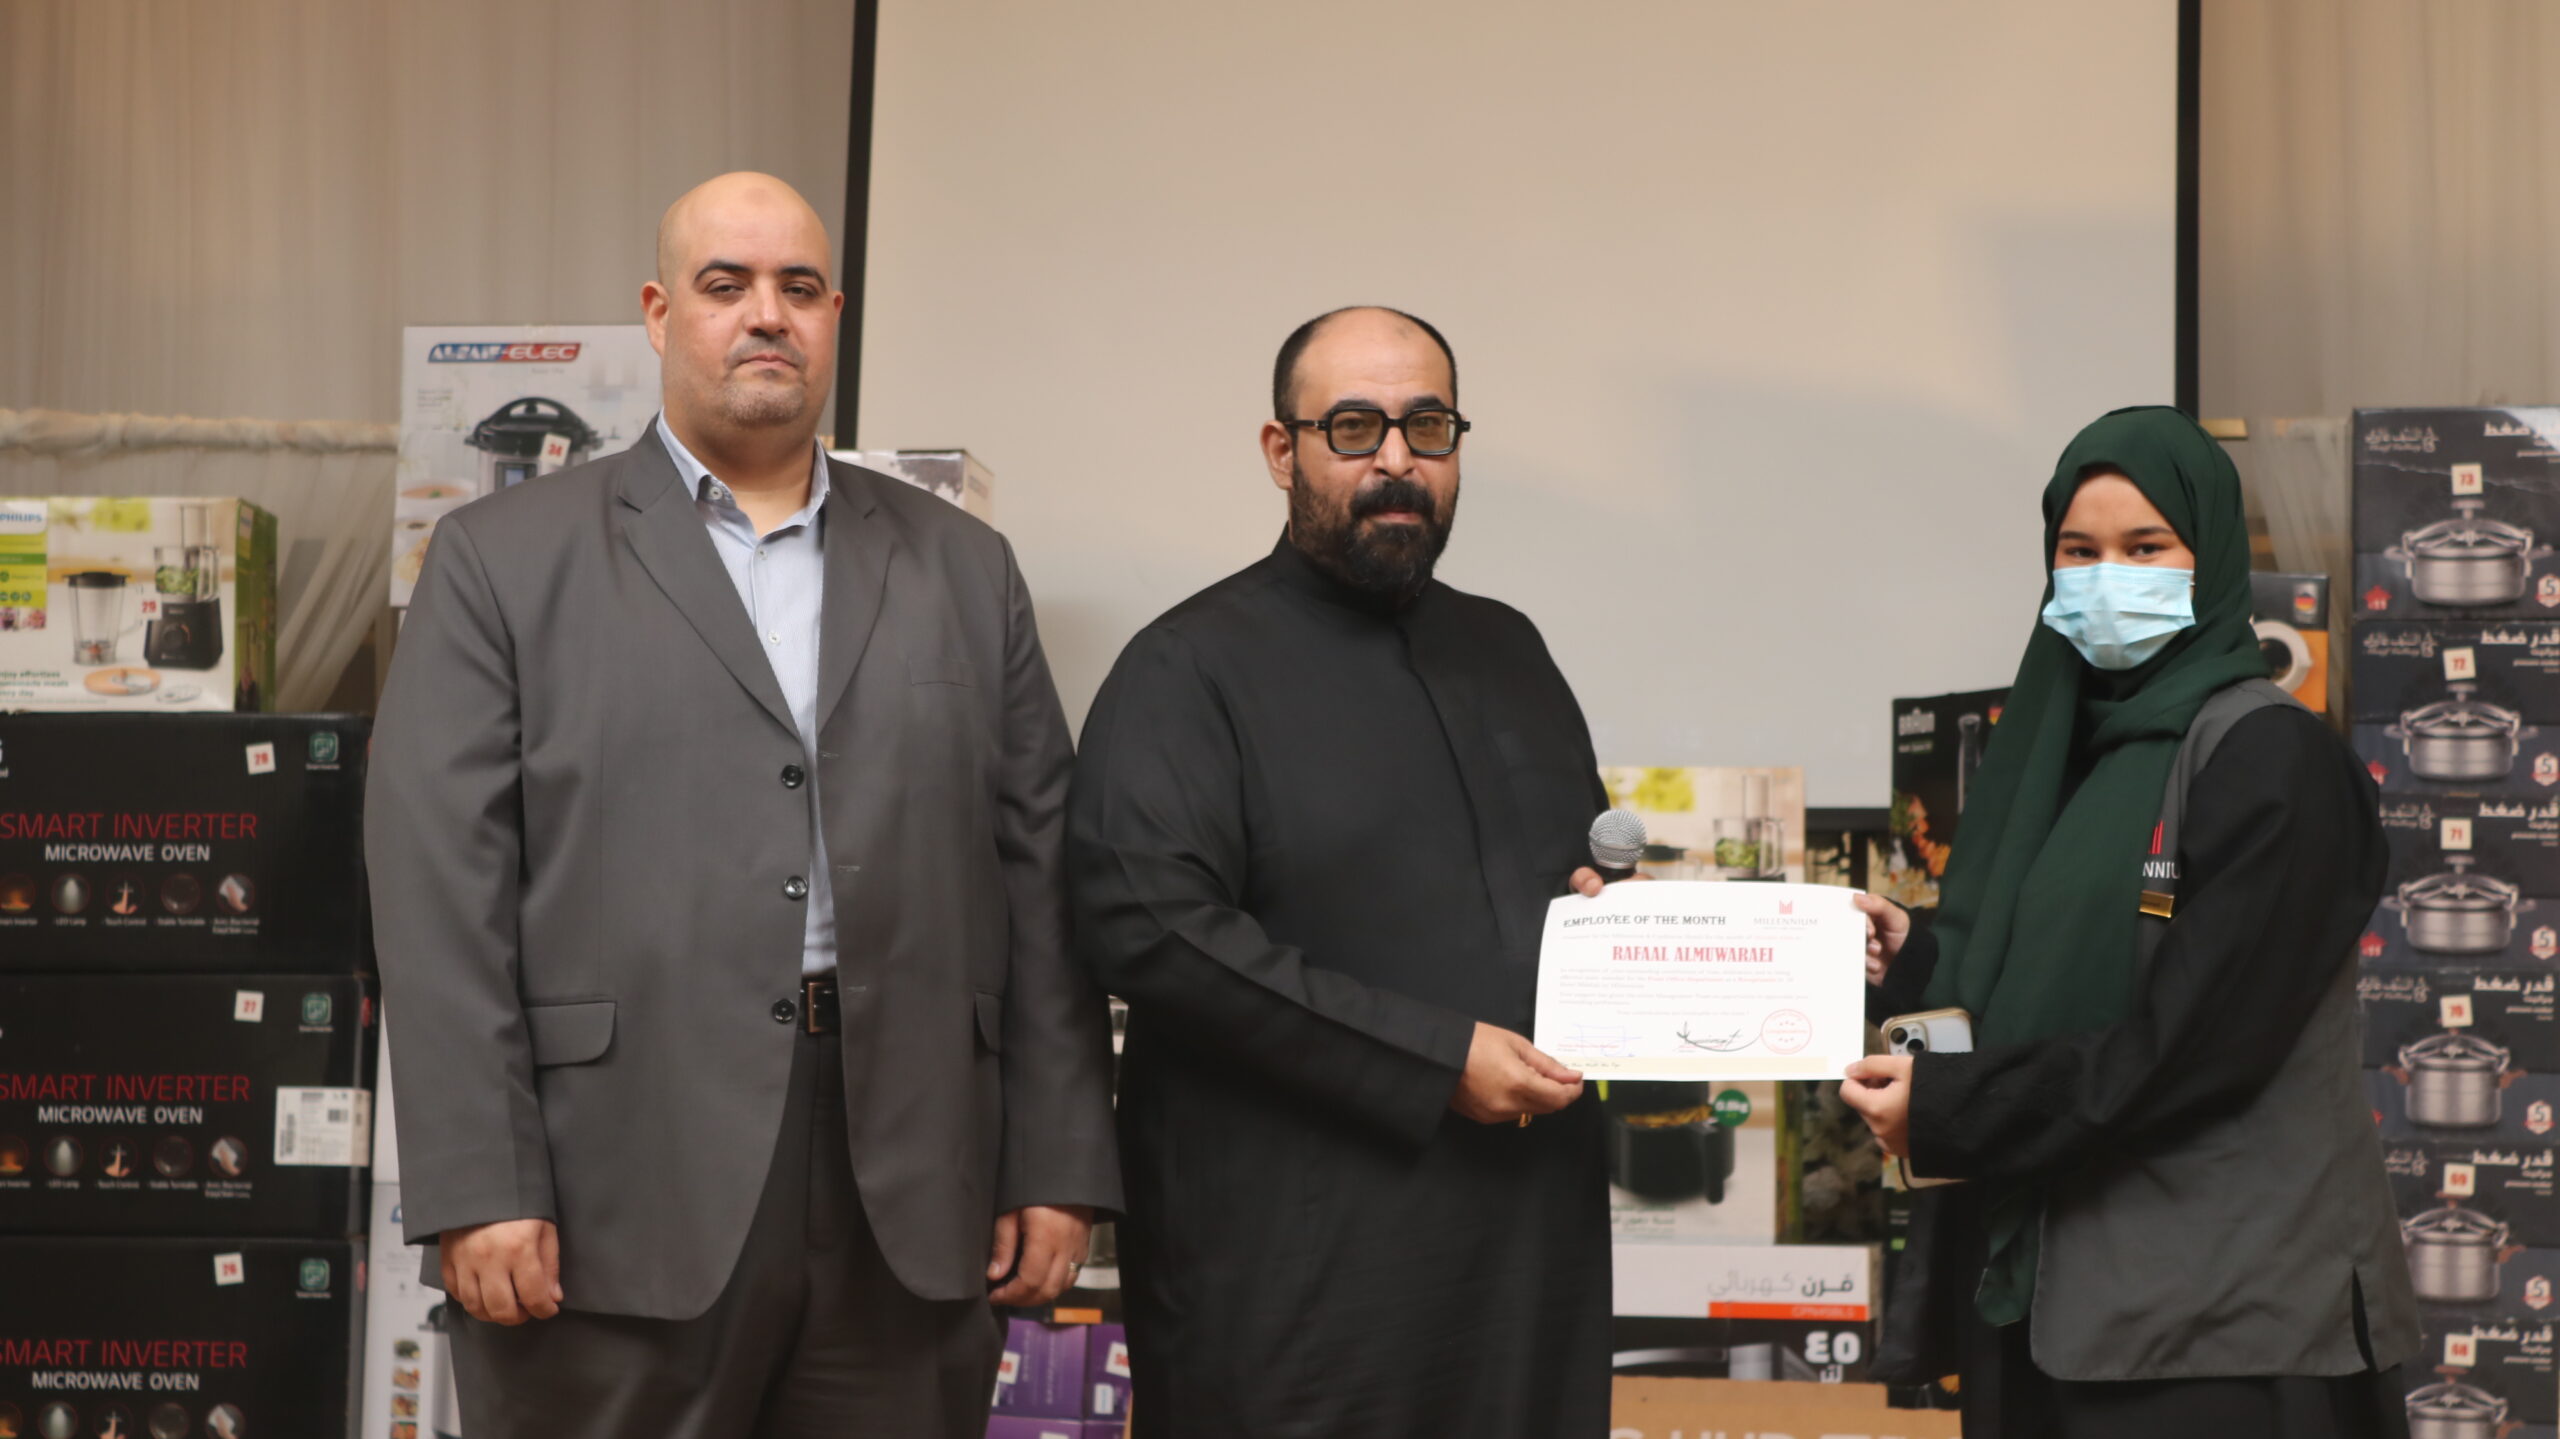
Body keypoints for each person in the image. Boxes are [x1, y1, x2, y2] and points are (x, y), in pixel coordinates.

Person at [367, 171, 1121, 1439]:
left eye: (799, 287)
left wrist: (1055, 1157)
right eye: (727, 284)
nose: (767, 313)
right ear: (661, 313)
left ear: (834, 316)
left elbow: (1039, 878)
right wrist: (479, 1178)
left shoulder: (964, 567)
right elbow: (439, 888)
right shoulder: (501, 559)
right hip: (610, 1184)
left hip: (911, 1180)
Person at [1068, 306, 1623, 1438]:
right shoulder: (1186, 666)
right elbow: (1150, 925)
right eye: (1356, 427)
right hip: (1296, 1269)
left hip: (1527, 1255)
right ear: (1283, 451)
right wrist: (1432, 1058)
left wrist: (1633, 932)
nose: (1396, 461)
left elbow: (1573, 882)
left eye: (1429, 427)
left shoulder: (1510, 649)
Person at [1838, 407, 2417, 1437]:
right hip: (2050, 1297)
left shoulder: (2269, 758)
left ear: (2211, 558)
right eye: (2079, 550)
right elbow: (2048, 971)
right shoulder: (2066, 760)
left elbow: (2197, 1043)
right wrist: (1915, 953)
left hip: (2217, 1328)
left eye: (2145, 547)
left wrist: (1952, 1108)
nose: (2108, 576)